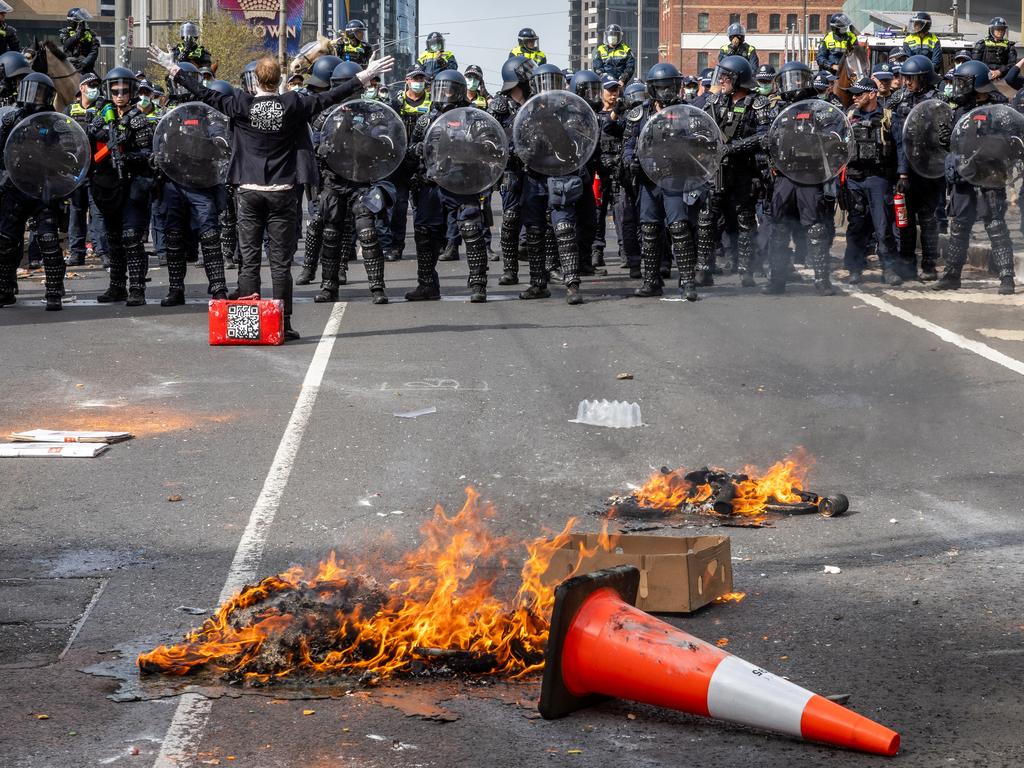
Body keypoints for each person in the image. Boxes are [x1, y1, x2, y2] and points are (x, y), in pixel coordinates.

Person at [148, 44, 394, 339]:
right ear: (278, 80)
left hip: (249, 190)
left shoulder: (240, 104)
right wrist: (366, 74)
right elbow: (332, 96)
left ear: (255, 80)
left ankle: (248, 326)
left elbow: (204, 94)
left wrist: (173, 67)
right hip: (282, 191)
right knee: (280, 262)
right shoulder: (293, 105)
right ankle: (283, 323)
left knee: (249, 260)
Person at [312, 60, 395, 305]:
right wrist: (322, 148)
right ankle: (329, 285)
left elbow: (386, 144)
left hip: (362, 180)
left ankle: (377, 287)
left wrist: (365, 136)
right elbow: (314, 142)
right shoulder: (325, 116)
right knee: (330, 234)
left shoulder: (373, 112)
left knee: (367, 233)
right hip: (335, 182)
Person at [403, 69, 491, 302]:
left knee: (472, 230)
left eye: (449, 89)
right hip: (431, 184)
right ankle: (427, 285)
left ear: (459, 91)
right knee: (424, 234)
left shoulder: (472, 118)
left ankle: (478, 284)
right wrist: (417, 150)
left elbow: (488, 148)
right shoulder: (425, 119)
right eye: (440, 88)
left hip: (462, 183)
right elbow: (410, 151)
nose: (444, 93)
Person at [624, 62, 704, 300]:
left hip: (676, 178)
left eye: (671, 87)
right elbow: (628, 144)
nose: (667, 92)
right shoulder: (639, 113)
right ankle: (651, 281)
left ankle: (688, 281)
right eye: (662, 88)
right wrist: (632, 161)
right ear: (652, 89)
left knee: (679, 228)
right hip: (649, 180)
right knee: (649, 230)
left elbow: (701, 141)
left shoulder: (687, 112)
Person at [934, 59, 1016, 294]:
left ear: (978, 84)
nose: (958, 86)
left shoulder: (1001, 110)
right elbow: (952, 143)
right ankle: (951, 275)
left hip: (990, 175)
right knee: (959, 226)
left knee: (995, 224)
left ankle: (1006, 277)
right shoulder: (959, 109)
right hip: (964, 174)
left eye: (963, 81)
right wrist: (945, 138)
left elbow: (1012, 143)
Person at [156, 64, 229, 307]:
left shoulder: (206, 112)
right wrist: (154, 156)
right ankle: (176, 288)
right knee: (173, 236)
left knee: (209, 234)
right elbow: (156, 140)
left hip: (201, 182)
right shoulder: (165, 112)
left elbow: (220, 134)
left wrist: (217, 141)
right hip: (174, 182)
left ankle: (218, 287)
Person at [762, 61, 836, 295]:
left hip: (809, 174)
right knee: (779, 228)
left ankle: (822, 280)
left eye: (797, 78)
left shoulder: (819, 108)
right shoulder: (775, 108)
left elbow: (835, 136)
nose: (793, 84)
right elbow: (765, 135)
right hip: (784, 174)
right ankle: (777, 280)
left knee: (815, 228)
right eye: (788, 79)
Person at [86, 67, 157, 307]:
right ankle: (117, 286)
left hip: (133, 185)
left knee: (131, 237)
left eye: (124, 91)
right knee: (113, 237)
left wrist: (128, 156)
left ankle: (137, 288)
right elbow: (89, 137)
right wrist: (107, 136)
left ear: (132, 92)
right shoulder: (101, 115)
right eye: (115, 91)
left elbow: (149, 154)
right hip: (109, 187)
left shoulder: (138, 119)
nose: (119, 95)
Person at [701, 55, 774, 288]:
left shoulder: (757, 104)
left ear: (737, 79)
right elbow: (698, 126)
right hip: (716, 171)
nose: (721, 80)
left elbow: (765, 135)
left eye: (725, 76)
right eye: (720, 76)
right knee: (707, 220)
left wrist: (733, 147)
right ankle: (704, 268)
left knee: (745, 221)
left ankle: (747, 270)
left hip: (744, 171)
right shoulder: (713, 103)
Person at [516, 64, 586, 304]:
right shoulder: (526, 112)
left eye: (552, 82)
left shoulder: (572, 111)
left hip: (561, 175)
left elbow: (574, 146)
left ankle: (572, 284)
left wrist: (550, 122)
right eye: (542, 83)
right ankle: (537, 283)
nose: (547, 88)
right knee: (534, 231)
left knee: (564, 228)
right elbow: (517, 144)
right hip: (534, 177)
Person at [0, 73, 67, 309]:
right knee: (6, 241)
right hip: (15, 186)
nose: (33, 96)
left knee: (48, 240)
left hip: (42, 187)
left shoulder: (53, 123)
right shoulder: (11, 120)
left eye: (39, 92)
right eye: (30, 90)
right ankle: (5, 289)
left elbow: (62, 156)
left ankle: (54, 291)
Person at [888, 55, 944, 281]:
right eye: (905, 77)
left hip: (930, 169)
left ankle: (929, 265)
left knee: (929, 219)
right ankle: (906, 264)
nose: (907, 82)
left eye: (912, 78)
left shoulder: (938, 100)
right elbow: (894, 135)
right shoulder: (898, 99)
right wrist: (900, 171)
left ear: (923, 77)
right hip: (906, 168)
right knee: (905, 219)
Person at [842, 77, 900, 285]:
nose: (855, 97)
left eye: (859, 93)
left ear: (872, 94)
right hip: (855, 179)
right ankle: (854, 269)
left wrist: (902, 174)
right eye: (853, 94)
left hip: (879, 178)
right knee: (856, 225)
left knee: (883, 226)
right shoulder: (849, 117)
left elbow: (900, 147)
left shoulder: (888, 117)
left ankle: (890, 269)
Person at [489, 55, 534, 286]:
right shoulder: (500, 106)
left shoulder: (537, 102)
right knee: (510, 220)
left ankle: (546, 270)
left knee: (539, 222)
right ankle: (510, 269)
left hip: (535, 170)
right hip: (512, 171)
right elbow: (490, 138)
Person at [380, 66, 432, 264]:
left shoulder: (431, 103)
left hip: (424, 160)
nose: (418, 81)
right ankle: (396, 246)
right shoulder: (396, 102)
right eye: (415, 78)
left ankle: (428, 245)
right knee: (399, 206)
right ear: (407, 80)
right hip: (400, 161)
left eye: (421, 78)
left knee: (425, 207)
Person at [65, 72, 107, 267]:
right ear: (81, 88)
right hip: (77, 169)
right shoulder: (69, 110)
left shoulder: (102, 110)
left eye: (96, 85)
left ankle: (103, 251)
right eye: (90, 85)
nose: (94, 88)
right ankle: (76, 252)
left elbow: (108, 135)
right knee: (76, 211)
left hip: (98, 168)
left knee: (98, 212)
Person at [59, 8, 100, 75]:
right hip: (69, 66)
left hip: (86, 67)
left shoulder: (91, 34)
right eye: (81, 22)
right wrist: (78, 35)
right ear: (73, 22)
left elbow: (94, 52)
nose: (84, 24)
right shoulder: (65, 32)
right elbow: (67, 45)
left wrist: (84, 63)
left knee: (98, 82)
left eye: (84, 22)